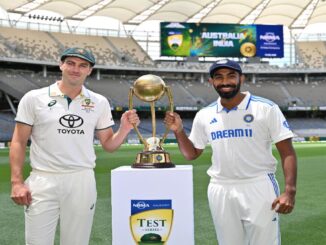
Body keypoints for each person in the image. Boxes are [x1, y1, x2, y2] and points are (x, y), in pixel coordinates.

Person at [10, 47, 139, 245]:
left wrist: (124, 129)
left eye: (82, 65)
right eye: (70, 63)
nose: (75, 69)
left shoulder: (99, 102)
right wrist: (17, 182)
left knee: (76, 242)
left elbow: (108, 145)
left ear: (89, 71)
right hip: (43, 178)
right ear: (61, 65)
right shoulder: (34, 98)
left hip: (81, 180)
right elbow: (18, 141)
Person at [164, 59, 297, 245]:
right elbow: (191, 154)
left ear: (241, 78)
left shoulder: (266, 108)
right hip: (220, 187)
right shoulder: (205, 114)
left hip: (258, 185)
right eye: (219, 77)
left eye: (231, 76)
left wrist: (289, 191)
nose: (225, 81)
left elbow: (287, 151)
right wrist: (178, 131)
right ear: (211, 82)